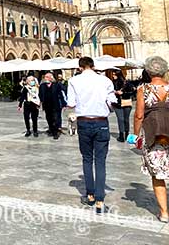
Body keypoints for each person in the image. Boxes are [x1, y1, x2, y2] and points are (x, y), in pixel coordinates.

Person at [66, 57, 117, 213]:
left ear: (80, 67)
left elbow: (71, 103)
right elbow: (112, 100)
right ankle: (100, 200)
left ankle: (90, 195)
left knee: (87, 159)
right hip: (101, 122)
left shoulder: (74, 81)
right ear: (93, 66)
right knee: (100, 160)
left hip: (84, 122)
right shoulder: (105, 80)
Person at [132, 56, 169, 222]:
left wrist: (135, 135)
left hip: (154, 136)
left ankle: (164, 212)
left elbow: (139, 115)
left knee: (158, 174)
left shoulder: (143, 89)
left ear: (148, 71)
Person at [39, 72, 66, 139]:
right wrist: (40, 102)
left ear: (51, 78)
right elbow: (40, 95)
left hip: (55, 104)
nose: (46, 78)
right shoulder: (42, 86)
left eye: (48, 77)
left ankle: (56, 132)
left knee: (56, 119)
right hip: (46, 105)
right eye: (45, 77)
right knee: (49, 119)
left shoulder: (56, 85)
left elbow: (61, 95)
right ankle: (51, 129)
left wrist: (63, 104)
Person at [111, 70, 135, 142]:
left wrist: (123, 93)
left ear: (118, 75)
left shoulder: (126, 82)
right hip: (117, 103)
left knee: (126, 119)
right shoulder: (112, 83)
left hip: (126, 102)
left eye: (114, 74)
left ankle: (127, 134)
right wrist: (115, 92)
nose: (113, 76)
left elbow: (133, 92)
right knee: (120, 119)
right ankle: (121, 135)